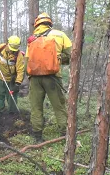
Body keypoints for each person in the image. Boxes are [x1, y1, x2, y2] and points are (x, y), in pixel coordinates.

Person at [25, 12, 72, 142]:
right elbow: (73, 54)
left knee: (36, 107)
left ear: (37, 24)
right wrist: (60, 59)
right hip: (53, 77)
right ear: (49, 23)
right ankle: (64, 134)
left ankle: (37, 136)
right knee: (59, 106)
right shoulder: (60, 35)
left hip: (35, 79)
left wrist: (30, 75)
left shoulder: (32, 39)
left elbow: (26, 62)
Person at [0, 36, 25, 125]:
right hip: (0, 77)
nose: (13, 51)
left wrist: (17, 83)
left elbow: (20, 70)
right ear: (8, 43)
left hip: (12, 79)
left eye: (15, 49)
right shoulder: (1, 47)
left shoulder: (19, 55)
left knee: (12, 96)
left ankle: (12, 113)